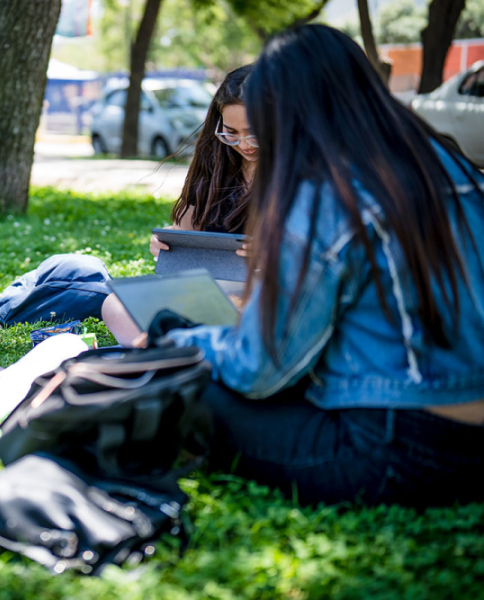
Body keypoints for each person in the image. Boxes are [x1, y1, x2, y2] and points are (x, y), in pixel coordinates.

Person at [167, 25, 484, 507]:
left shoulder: (325, 194)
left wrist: (178, 339)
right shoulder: (447, 163)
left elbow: (261, 369)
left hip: (400, 445)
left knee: (177, 384)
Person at [102, 65, 256, 346]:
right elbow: (185, 231)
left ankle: (170, 355)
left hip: (264, 298)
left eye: (254, 133)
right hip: (210, 294)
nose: (243, 144)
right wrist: (168, 242)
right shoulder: (218, 164)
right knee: (115, 305)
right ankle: (175, 357)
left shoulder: (302, 178)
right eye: (231, 133)